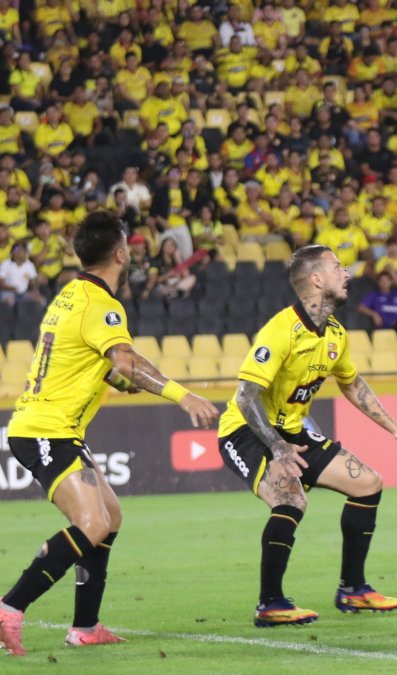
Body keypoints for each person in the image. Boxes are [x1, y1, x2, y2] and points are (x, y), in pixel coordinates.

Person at [0, 211, 218, 656]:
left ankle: (85, 626)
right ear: (120, 253)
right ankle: (10, 607)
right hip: (47, 431)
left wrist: (121, 378)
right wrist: (182, 396)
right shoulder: (101, 305)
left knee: (109, 519)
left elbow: (106, 369)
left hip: (56, 429)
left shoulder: (71, 294)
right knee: (92, 522)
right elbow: (125, 362)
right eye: (129, 247)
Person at [216, 244, 397, 627]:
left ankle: (353, 589)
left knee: (368, 483)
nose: (346, 273)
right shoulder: (280, 330)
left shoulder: (335, 334)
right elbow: (246, 397)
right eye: (337, 267)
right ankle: (271, 603)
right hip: (247, 429)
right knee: (291, 498)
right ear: (316, 279)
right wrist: (277, 446)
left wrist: (395, 428)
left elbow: (353, 384)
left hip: (293, 430)